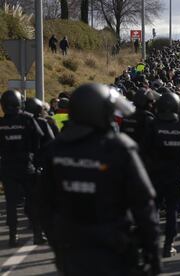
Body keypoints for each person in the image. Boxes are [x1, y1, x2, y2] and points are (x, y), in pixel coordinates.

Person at [38, 83, 161, 275]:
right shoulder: (119, 149)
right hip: (113, 250)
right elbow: (144, 205)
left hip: (71, 250)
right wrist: (153, 253)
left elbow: (44, 204)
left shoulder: (55, 149)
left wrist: (58, 243)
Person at [143, 91, 180, 258]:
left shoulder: (152, 124)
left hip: (155, 173)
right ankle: (168, 244)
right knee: (172, 210)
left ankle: (151, 243)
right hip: (175, 174)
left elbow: (145, 149)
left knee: (154, 208)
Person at [0, 90, 45, 246]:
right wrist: (35, 162)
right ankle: (38, 235)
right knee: (32, 201)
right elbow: (37, 141)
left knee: (11, 203)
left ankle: (13, 237)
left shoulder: (1, 123)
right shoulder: (28, 120)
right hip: (26, 166)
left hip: (7, 168)